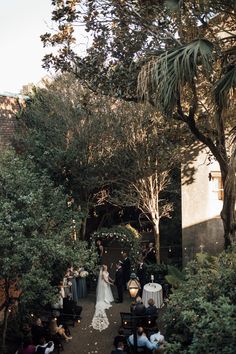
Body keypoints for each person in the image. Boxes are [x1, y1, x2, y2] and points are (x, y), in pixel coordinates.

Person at [91, 264, 114, 331]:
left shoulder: (106, 272)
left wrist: (111, 280)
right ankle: (104, 300)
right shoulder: (103, 273)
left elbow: (108, 277)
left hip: (107, 284)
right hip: (104, 284)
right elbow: (105, 280)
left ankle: (107, 299)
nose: (107, 268)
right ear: (104, 268)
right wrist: (110, 283)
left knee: (107, 292)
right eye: (106, 267)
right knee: (105, 293)